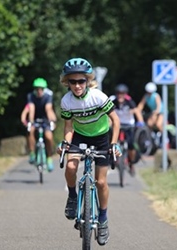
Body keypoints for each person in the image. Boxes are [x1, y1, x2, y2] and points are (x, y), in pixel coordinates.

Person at [57, 57, 121, 246]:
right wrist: (66, 143)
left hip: (101, 138)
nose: (77, 85)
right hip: (80, 136)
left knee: (101, 182)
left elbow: (115, 120)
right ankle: (72, 196)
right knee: (70, 167)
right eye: (72, 81)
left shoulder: (98, 97)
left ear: (88, 81)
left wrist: (114, 143)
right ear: (66, 82)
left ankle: (102, 219)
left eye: (81, 81)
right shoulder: (67, 101)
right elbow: (68, 127)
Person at [24, 77, 57, 172]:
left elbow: (48, 109)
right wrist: (30, 122)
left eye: (41, 89)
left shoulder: (48, 95)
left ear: (44, 89)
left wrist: (52, 121)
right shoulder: (31, 96)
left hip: (45, 119)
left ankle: (49, 157)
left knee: (49, 137)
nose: (39, 91)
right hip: (35, 118)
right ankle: (32, 153)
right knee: (31, 131)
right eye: (37, 89)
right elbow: (31, 109)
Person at [112, 83, 145, 176]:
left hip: (129, 125)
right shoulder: (113, 102)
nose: (120, 95)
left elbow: (137, 111)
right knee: (112, 140)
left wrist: (140, 122)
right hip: (118, 124)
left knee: (131, 145)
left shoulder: (129, 101)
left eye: (122, 93)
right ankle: (114, 157)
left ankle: (131, 163)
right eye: (118, 93)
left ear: (125, 94)